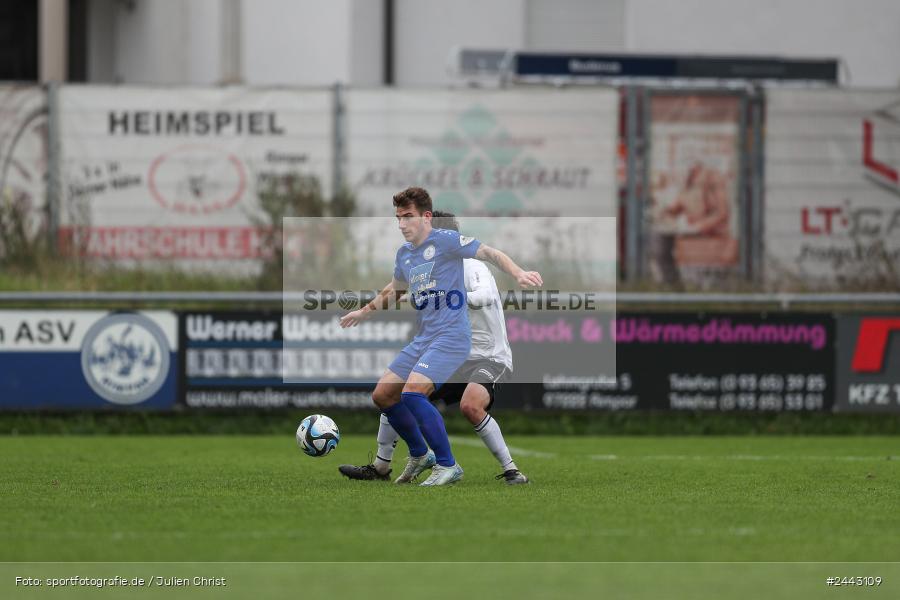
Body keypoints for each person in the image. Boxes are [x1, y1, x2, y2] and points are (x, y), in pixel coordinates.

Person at [339, 187, 541, 486]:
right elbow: (395, 289)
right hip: (426, 338)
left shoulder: (449, 246)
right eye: (398, 218)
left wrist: (518, 272)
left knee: (416, 394)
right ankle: (415, 456)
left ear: (427, 218)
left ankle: (450, 465)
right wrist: (364, 311)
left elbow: (490, 256)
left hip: (456, 339)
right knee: (384, 394)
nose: (402, 224)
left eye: (408, 217)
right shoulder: (406, 254)